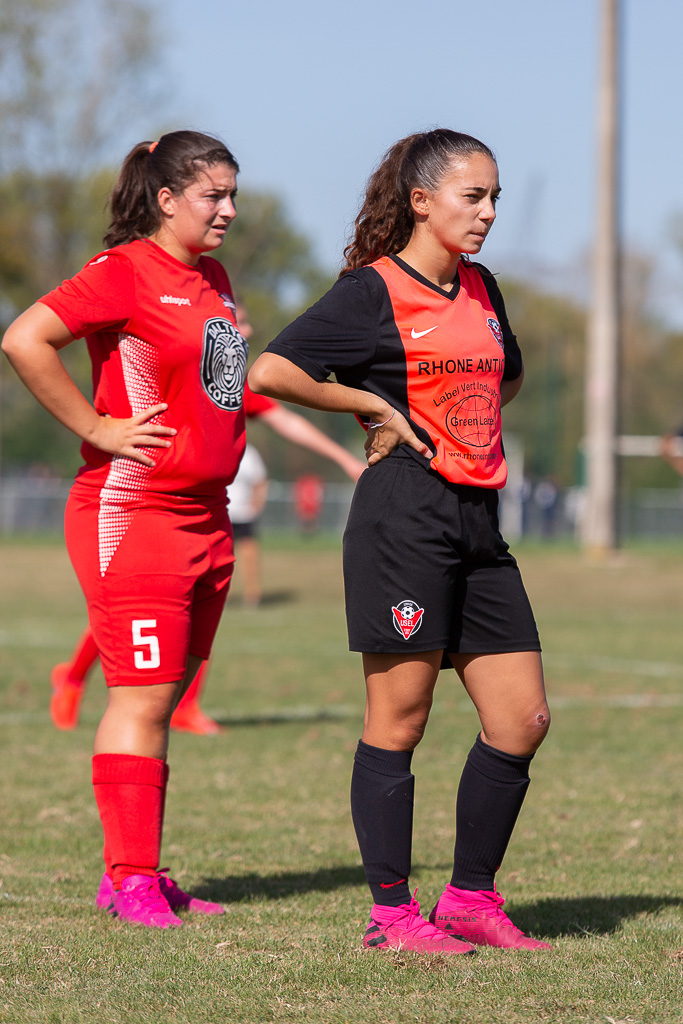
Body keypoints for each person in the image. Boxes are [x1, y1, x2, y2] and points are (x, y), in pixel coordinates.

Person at [249, 129, 551, 955]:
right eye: (472, 196)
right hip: (402, 519)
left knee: (521, 718)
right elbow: (271, 371)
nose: (487, 213)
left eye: (493, 198)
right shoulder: (371, 290)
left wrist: (460, 407)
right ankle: (390, 918)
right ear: (421, 201)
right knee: (400, 718)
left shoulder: (482, 286)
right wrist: (372, 405)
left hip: (478, 523)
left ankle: (468, 900)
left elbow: (506, 374)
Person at [2, 129, 248, 928]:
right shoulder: (123, 271)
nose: (228, 210)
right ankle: (131, 880)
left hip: (207, 515)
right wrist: (97, 427)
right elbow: (24, 338)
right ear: (166, 199)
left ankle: (133, 870)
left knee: (161, 696)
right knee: (140, 699)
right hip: (134, 511)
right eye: (212, 195)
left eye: (232, 194)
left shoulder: (211, 277)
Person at [48, 378, 365, 734]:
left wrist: (343, 458)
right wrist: (96, 429)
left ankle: (185, 706)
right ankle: (72, 678)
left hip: (204, 510)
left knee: (195, 605)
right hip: (146, 504)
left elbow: (285, 420)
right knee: (136, 608)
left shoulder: (228, 378)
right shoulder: (168, 367)